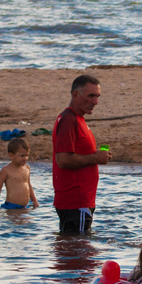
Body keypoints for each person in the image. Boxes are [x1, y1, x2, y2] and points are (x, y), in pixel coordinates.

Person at [52, 75, 109, 234]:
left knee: (72, 249)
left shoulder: (77, 119)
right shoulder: (69, 120)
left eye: (97, 97)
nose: (95, 102)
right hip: (76, 201)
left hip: (77, 202)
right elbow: (62, 159)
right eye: (91, 96)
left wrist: (96, 156)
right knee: (79, 252)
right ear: (76, 95)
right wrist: (96, 158)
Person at [0, 138, 39, 210]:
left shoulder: (27, 168)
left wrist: (34, 201)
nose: (25, 158)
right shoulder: (6, 170)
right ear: (11, 156)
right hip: (11, 207)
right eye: (22, 156)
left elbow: (29, 185)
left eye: (27, 155)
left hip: (25, 207)